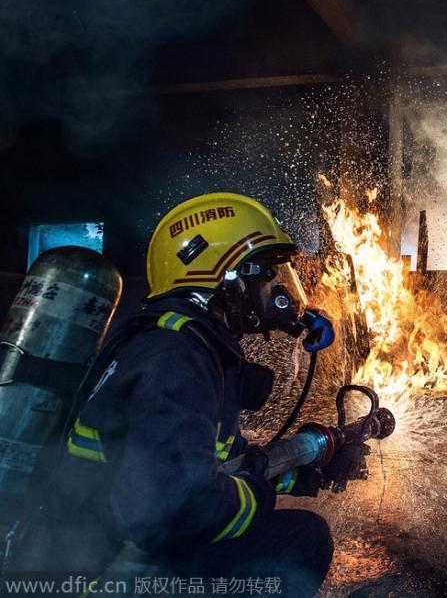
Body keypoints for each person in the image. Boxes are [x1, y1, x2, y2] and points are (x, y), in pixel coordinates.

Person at [30, 192, 355, 596]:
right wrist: (260, 494)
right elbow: (183, 509)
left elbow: (216, 463)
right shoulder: (175, 360)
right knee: (300, 540)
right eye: (268, 275)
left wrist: (308, 471)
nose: (281, 291)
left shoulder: (183, 345)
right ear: (227, 280)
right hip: (101, 577)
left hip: (111, 549)